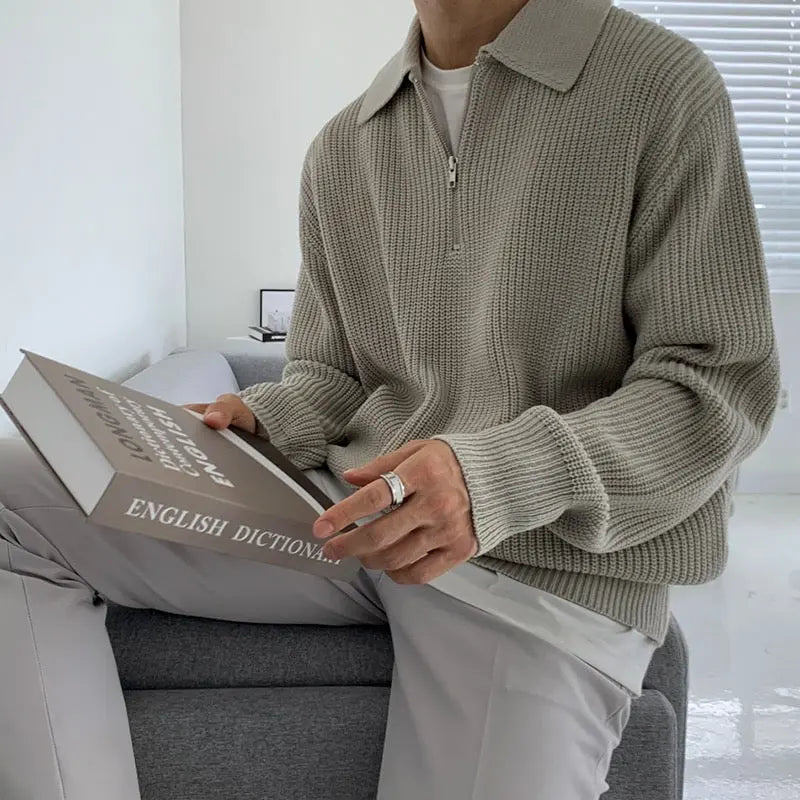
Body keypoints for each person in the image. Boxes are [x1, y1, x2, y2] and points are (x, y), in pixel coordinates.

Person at [0, 0, 781, 798]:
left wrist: (490, 479)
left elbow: (716, 383)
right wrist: (268, 418)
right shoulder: (346, 144)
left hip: (546, 576)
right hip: (348, 516)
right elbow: (333, 373)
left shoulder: (656, 86)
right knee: (8, 493)